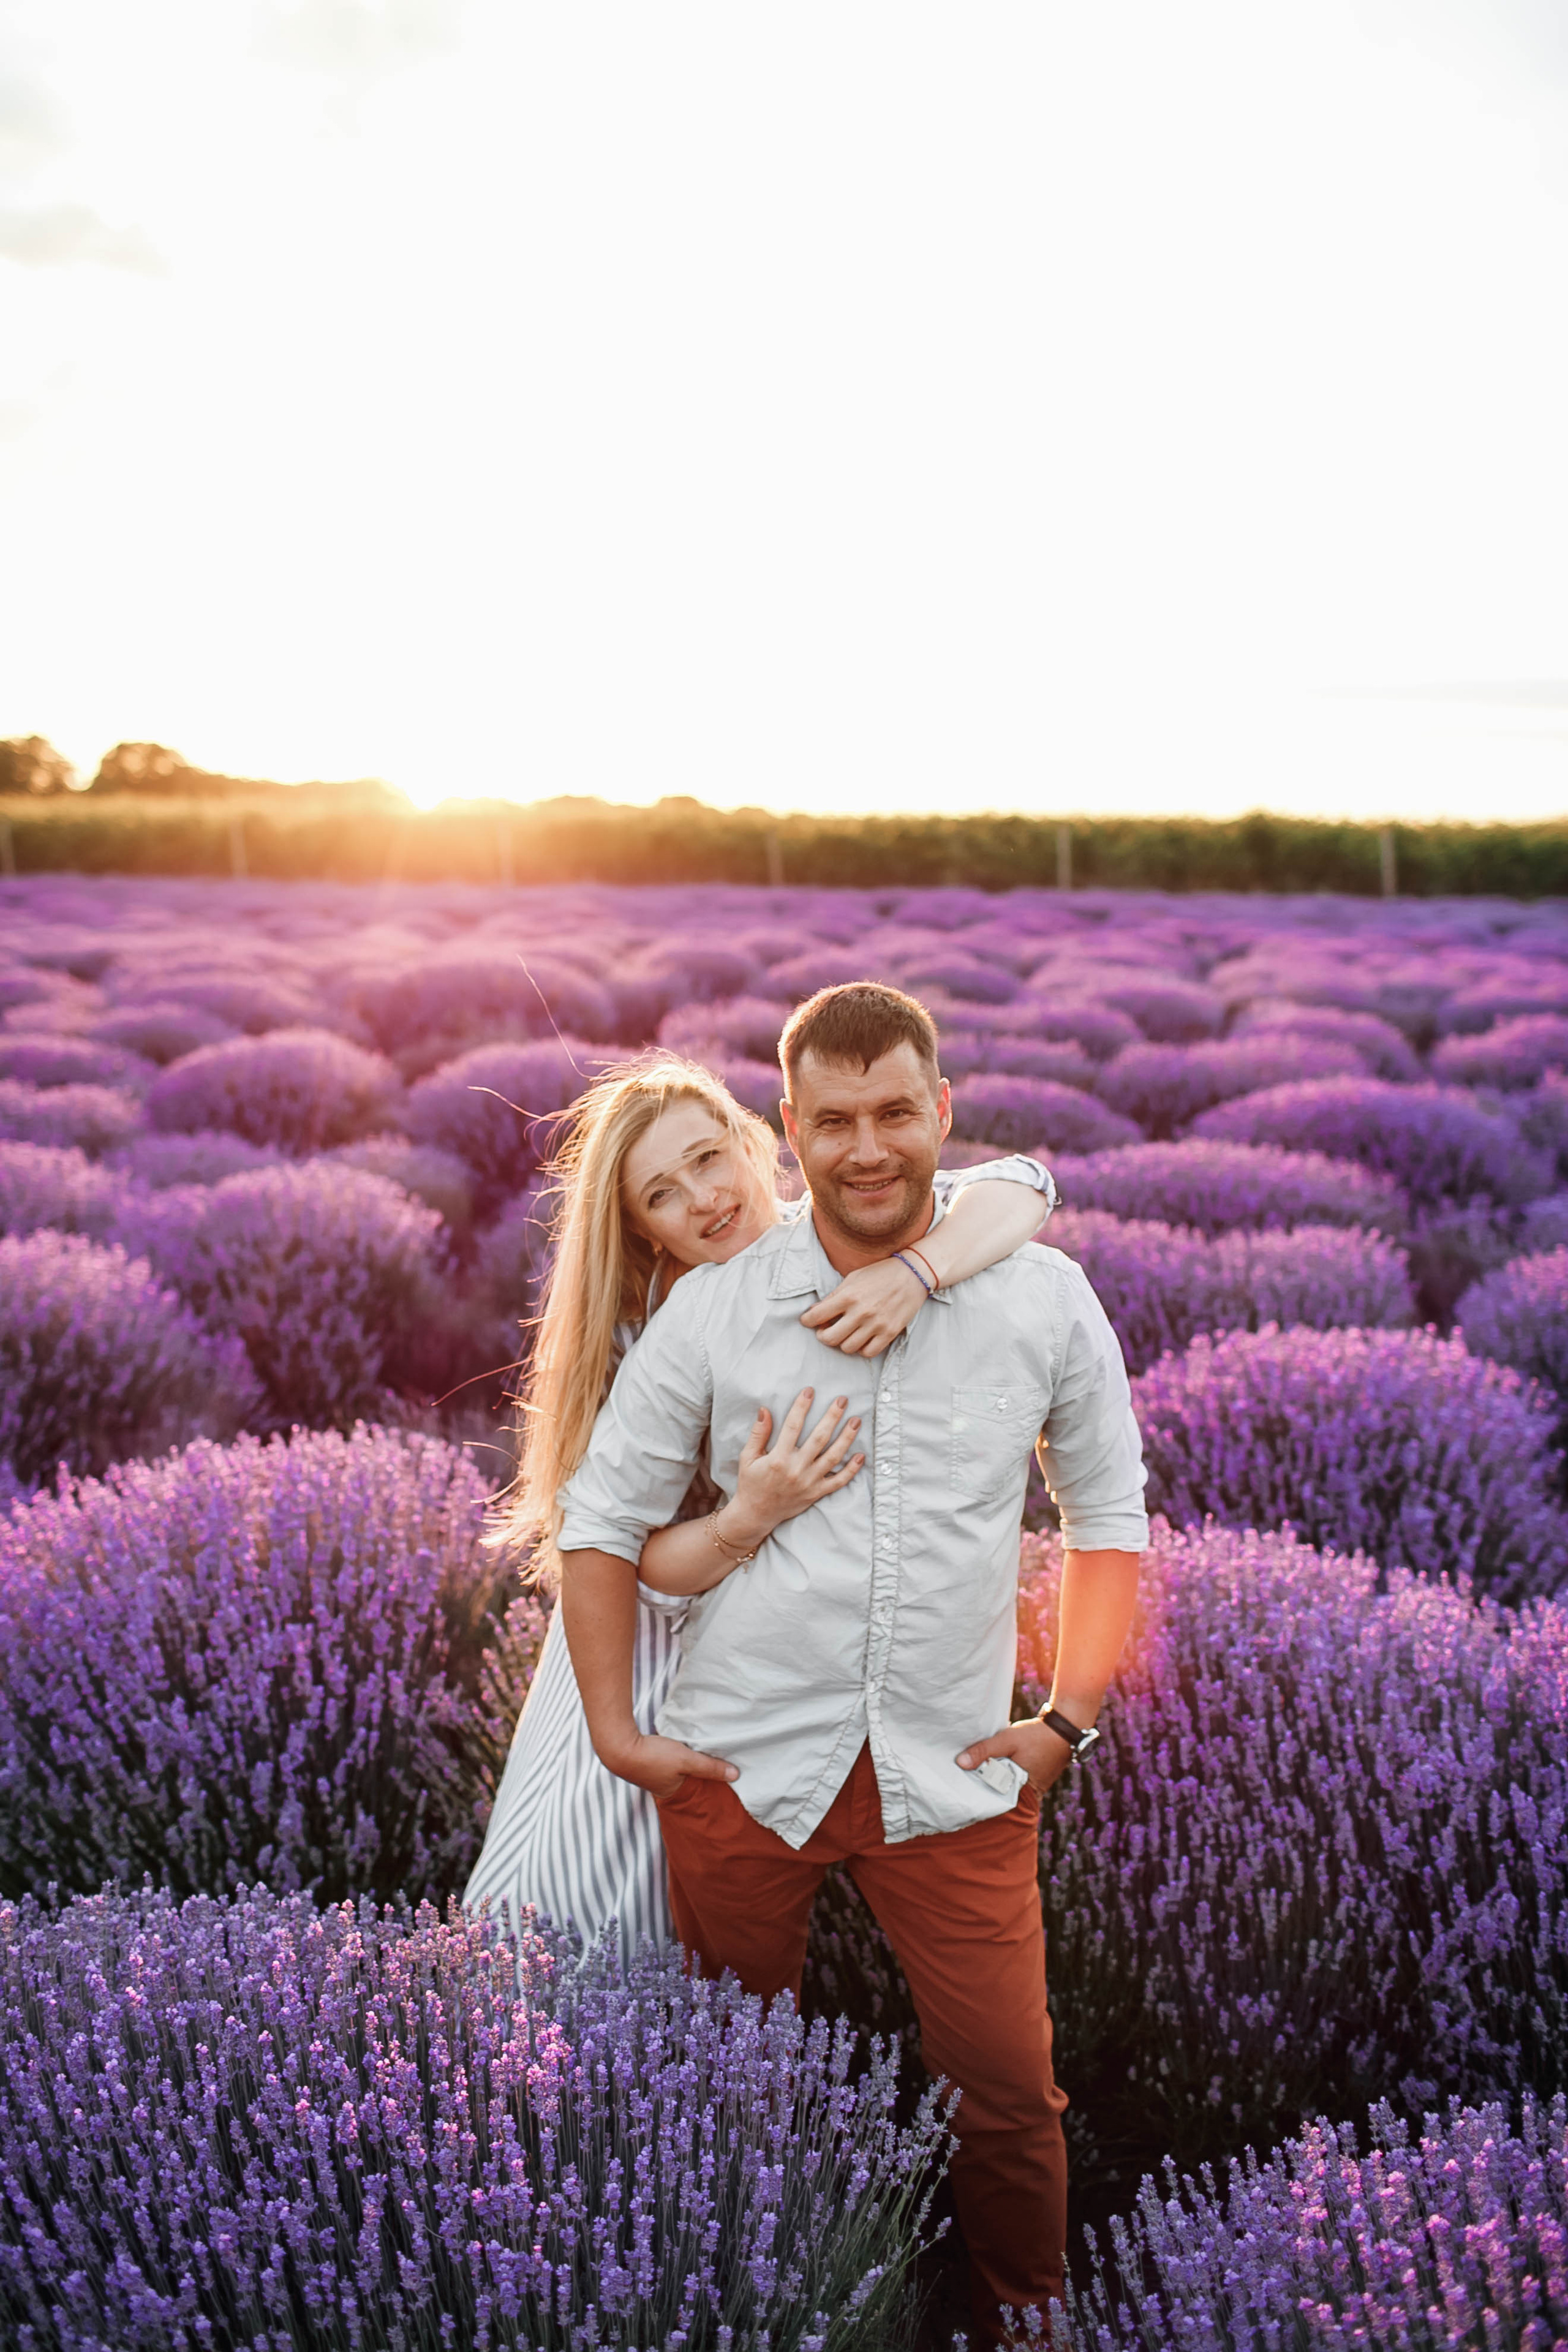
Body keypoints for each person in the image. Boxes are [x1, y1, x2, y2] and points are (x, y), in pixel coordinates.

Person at [557, 986, 1147, 2349]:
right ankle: (755, 2314)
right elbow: (600, 1525)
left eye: (895, 1113)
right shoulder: (718, 1313)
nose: (868, 1147)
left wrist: (1066, 1721)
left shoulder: (1039, 1291)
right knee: (727, 2089)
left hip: (952, 1777)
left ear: (941, 1112)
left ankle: (1024, 2321)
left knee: (1007, 2095)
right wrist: (615, 1733)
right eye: (834, 1121)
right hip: (741, 1769)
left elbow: (1105, 1521)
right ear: (791, 1130)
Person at [465, 1048, 1056, 1962]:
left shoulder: (840, 1235)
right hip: (654, 1649)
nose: (703, 1198)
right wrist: (755, 1514)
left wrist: (918, 1273)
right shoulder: (662, 1321)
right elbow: (622, 1551)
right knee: (597, 1919)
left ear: (757, 1135)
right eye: (662, 1194)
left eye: (708, 1158)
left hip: (801, 1646)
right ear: (642, 1230)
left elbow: (1022, 1185)